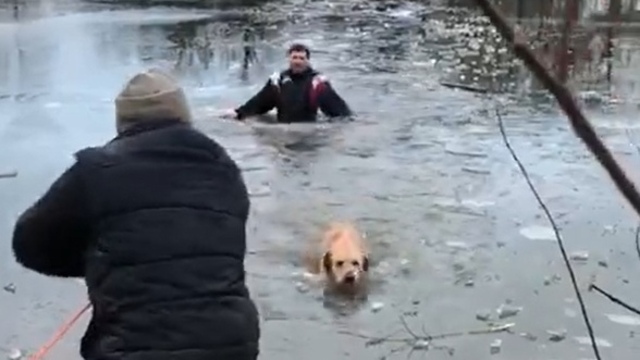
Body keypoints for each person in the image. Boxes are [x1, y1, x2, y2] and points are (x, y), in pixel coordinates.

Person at [12, 69, 260, 360]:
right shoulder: (224, 168)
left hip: (133, 348)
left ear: (123, 121)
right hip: (231, 345)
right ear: (183, 115)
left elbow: (29, 244)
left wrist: (100, 262)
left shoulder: (96, 171)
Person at [225, 43, 352, 123]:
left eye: (301, 58)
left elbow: (339, 112)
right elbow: (259, 103)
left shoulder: (318, 83)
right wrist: (239, 113)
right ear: (289, 59)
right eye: (294, 58)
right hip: (283, 131)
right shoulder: (278, 81)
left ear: (307, 60)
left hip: (309, 132)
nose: (297, 62)